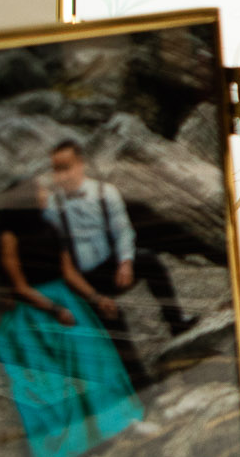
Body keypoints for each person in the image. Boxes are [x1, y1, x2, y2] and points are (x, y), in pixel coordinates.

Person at [0, 176, 144, 457]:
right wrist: (54, 309)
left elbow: (69, 273)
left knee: (94, 357)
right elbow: (19, 286)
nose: (45, 193)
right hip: (35, 309)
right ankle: (76, 446)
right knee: (56, 378)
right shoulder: (9, 237)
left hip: (66, 299)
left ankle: (111, 427)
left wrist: (97, 298)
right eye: (39, 190)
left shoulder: (50, 226)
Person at [43, 138, 192, 393]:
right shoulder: (52, 207)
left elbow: (123, 230)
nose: (62, 176)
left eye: (67, 167)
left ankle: (175, 322)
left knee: (150, 262)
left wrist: (125, 262)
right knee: (112, 319)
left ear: (81, 165)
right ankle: (140, 384)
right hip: (83, 277)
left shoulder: (105, 192)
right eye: (56, 170)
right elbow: (55, 253)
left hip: (110, 265)